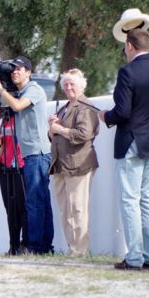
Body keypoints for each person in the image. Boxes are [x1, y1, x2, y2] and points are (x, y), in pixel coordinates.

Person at [98, 28, 149, 270]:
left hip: (132, 142)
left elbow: (123, 111)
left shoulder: (127, 72)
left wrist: (106, 116)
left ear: (129, 46)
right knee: (147, 199)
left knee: (130, 200)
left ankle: (135, 257)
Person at [0, 56, 54, 255]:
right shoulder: (19, 92)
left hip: (37, 153)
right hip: (32, 153)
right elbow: (0, 114)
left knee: (33, 202)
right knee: (41, 201)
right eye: (12, 69)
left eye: (19, 69)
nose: (14, 72)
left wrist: (0, 88)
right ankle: (44, 246)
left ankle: (33, 246)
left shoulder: (33, 89)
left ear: (28, 72)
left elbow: (16, 106)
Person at [48, 69, 99, 256]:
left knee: (77, 208)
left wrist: (59, 129)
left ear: (81, 85)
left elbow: (84, 134)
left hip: (79, 164)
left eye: (72, 84)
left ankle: (80, 250)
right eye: (66, 84)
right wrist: (52, 128)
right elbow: (53, 134)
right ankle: (73, 248)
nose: (68, 87)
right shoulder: (65, 107)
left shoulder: (86, 107)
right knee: (65, 209)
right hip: (61, 164)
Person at [0, 79, 28, 256]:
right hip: (5, 165)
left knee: (23, 207)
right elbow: (0, 141)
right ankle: (13, 246)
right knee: (10, 208)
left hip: (21, 165)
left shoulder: (21, 115)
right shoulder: (5, 118)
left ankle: (25, 245)